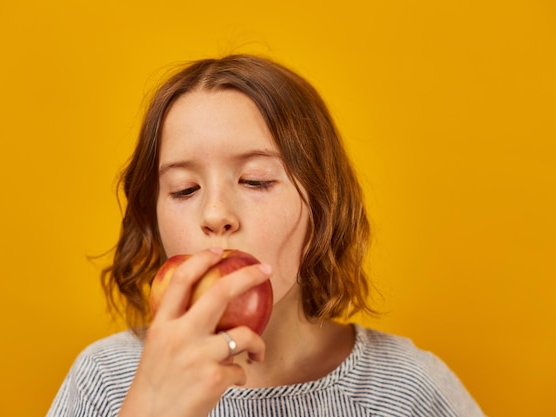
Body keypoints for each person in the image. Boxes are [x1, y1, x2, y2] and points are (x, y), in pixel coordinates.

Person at [47, 54, 484, 417]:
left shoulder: (405, 390)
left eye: (256, 181)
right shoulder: (107, 380)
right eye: (184, 189)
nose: (216, 214)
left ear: (321, 206)